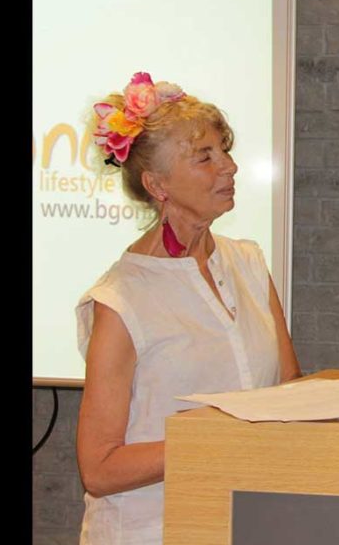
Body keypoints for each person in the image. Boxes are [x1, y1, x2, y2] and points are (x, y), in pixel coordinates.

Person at [75, 72, 301, 545]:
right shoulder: (121, 299)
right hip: (150, 532)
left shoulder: (249, 263)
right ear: (157, 184)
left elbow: (288, 391)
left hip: (245, 520)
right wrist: (214, 441)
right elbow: (99, 468)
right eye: (205, 156)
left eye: (225, 150)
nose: (229, 167)